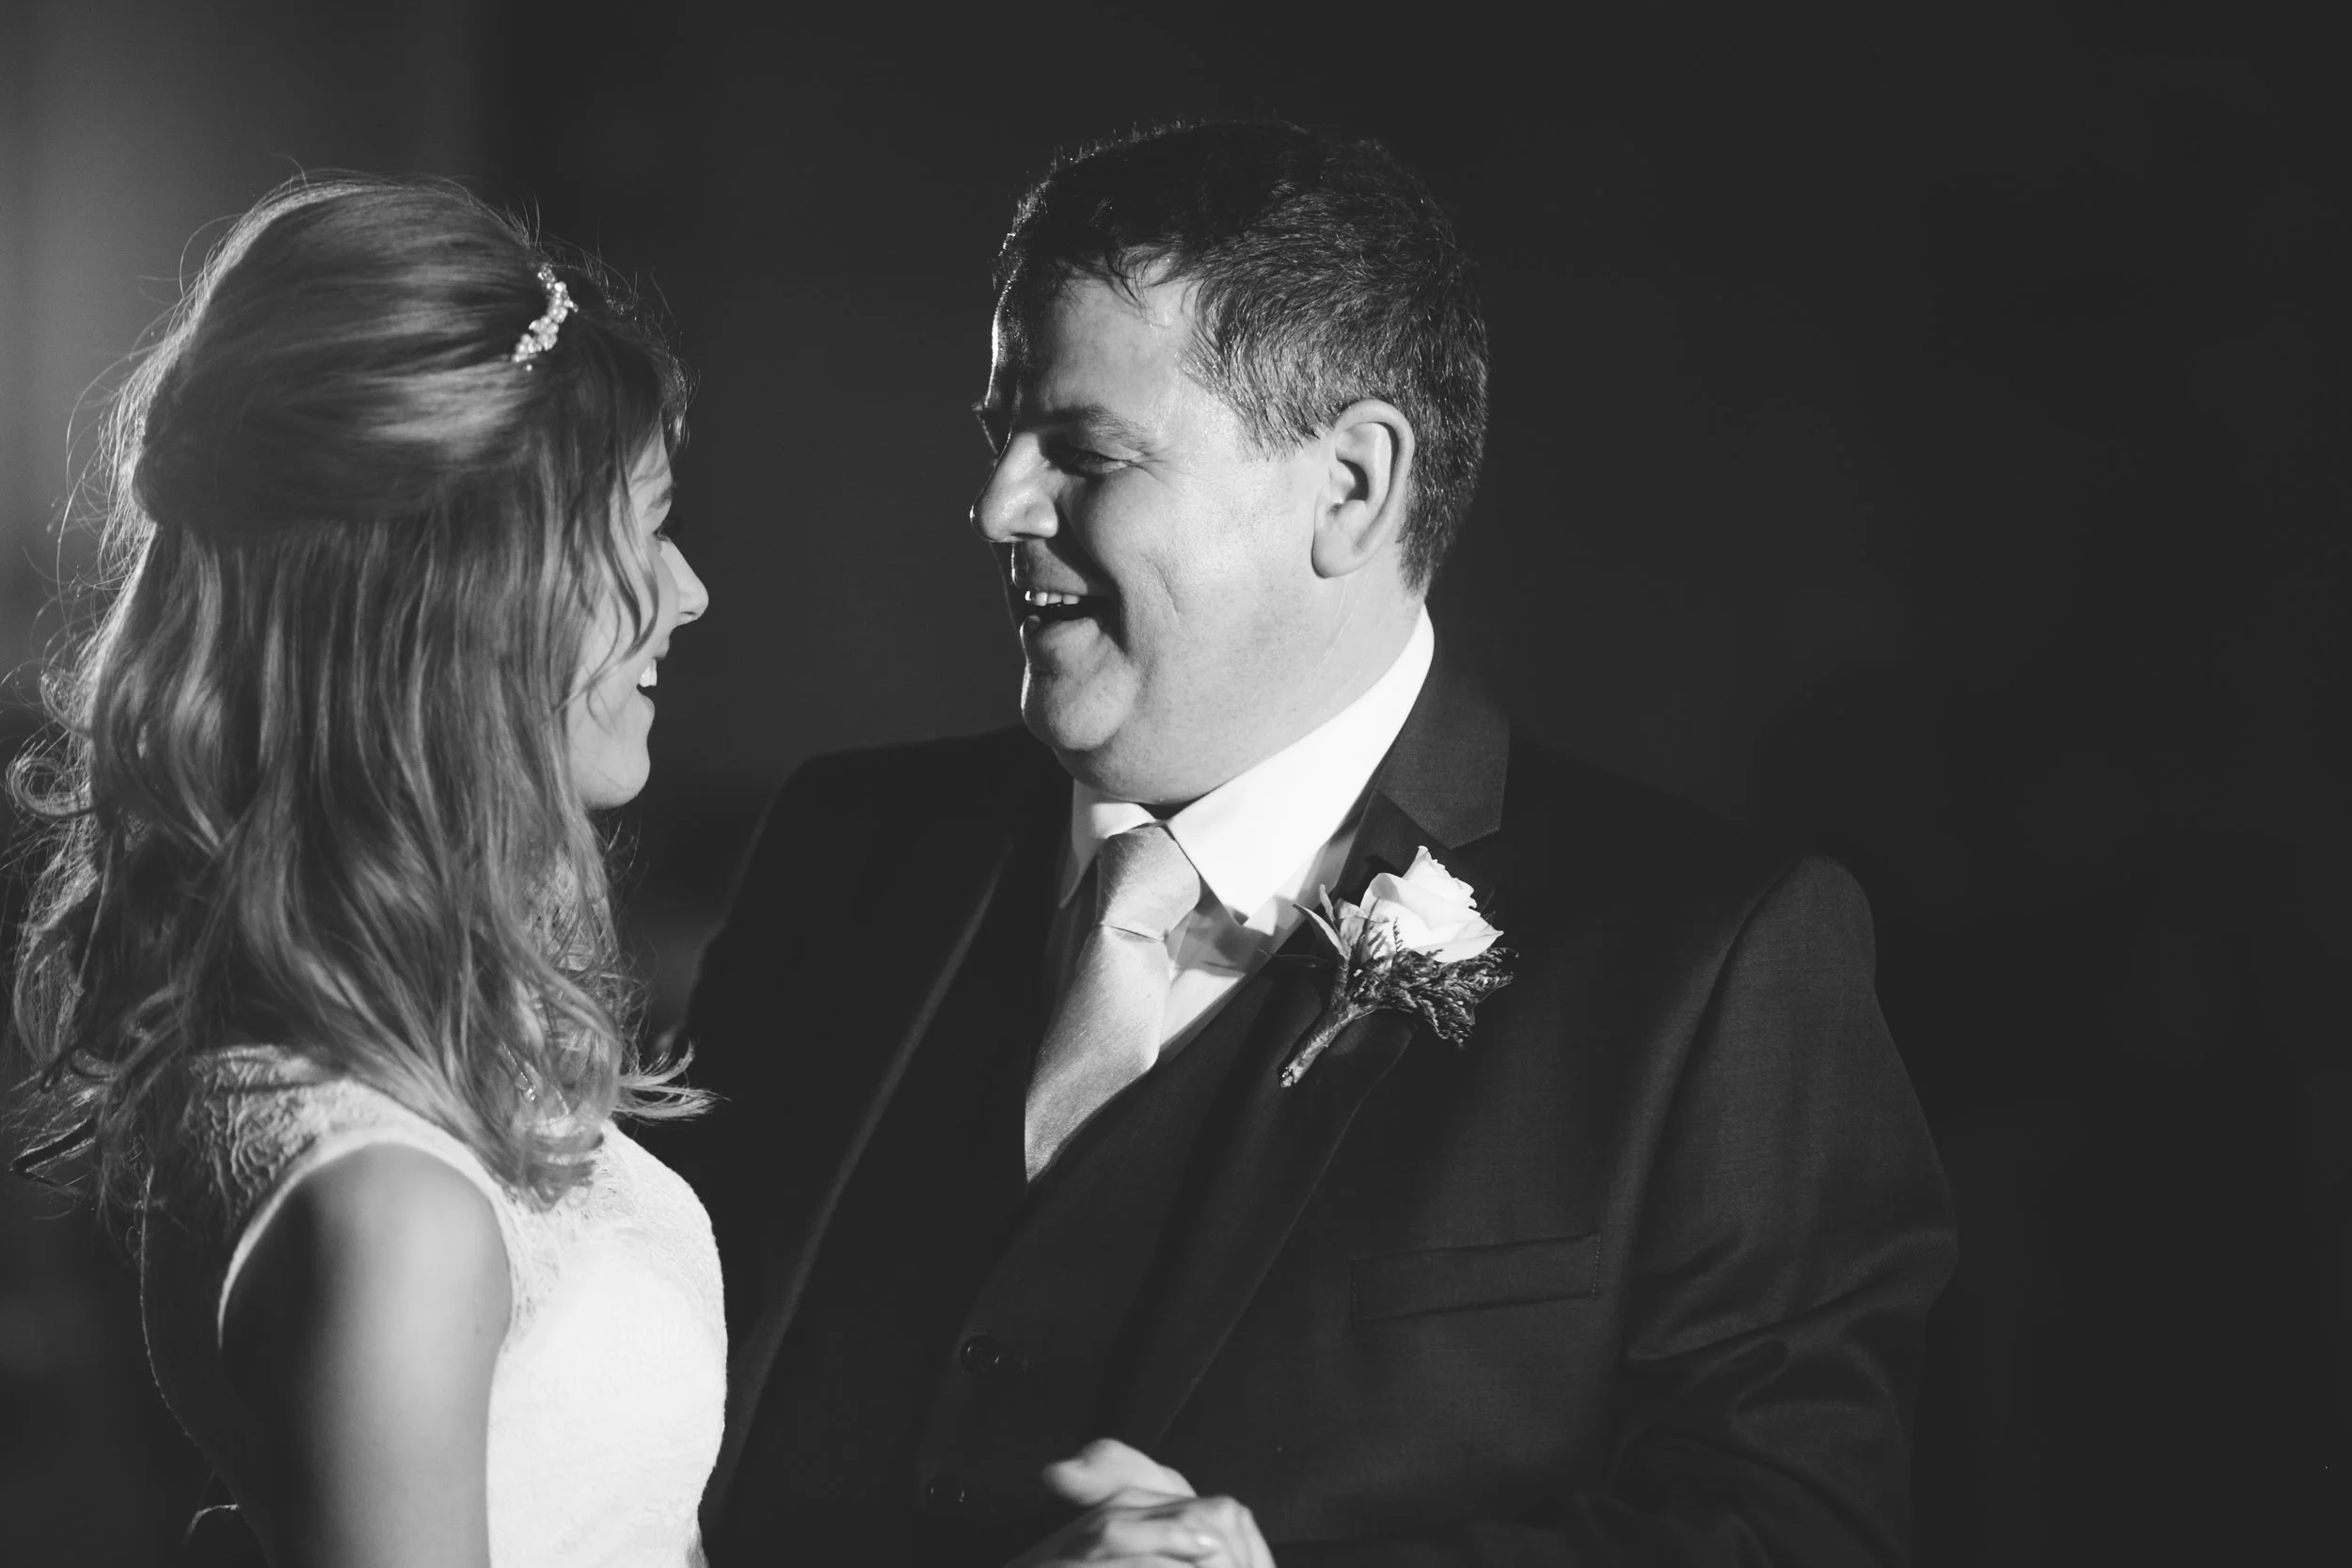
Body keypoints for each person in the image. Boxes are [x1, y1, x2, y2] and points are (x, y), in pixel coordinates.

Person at [667, 119, 1958, 1567]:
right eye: (1001, 436)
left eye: (1083, 450)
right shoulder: (843, 852)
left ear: (1350, 485)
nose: (997, 507)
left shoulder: (1709, 965)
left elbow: (1797, 1532)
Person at [5, 178, 721, 1567]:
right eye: (644, 523)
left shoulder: (368, 1067)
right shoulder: (392, 1204)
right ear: (475, 594)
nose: (687, 591)